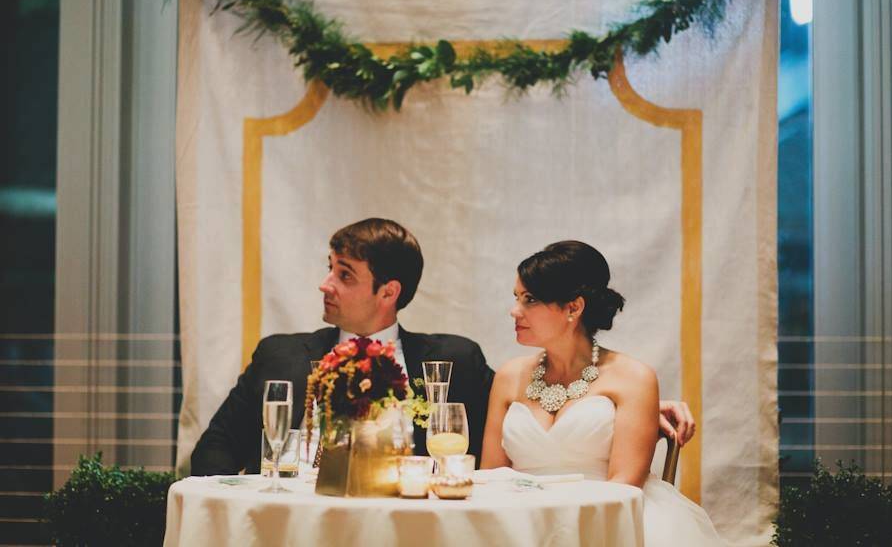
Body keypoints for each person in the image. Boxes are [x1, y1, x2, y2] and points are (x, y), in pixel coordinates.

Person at [191, 219, 696, 475]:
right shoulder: (280, 354)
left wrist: (644, 410)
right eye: (329, 268)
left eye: (343, 274)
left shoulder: (453, 360)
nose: (324, 284)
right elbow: (212, 449)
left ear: (388, 292)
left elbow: (539, 408)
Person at [480, 240, 723, 546]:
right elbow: (490, 476)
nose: (514, 311)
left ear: (573, 307)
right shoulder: (509, 376)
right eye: (516, 297)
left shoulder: (634, 378)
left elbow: (623, 486)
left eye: (530, 300)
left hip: (605, 526)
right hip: (520, 526)